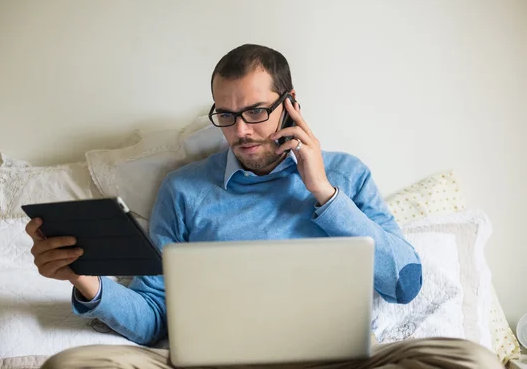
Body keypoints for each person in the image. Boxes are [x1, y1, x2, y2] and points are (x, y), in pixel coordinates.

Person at [26, 44, 502, 369]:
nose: (242, 131)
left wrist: (323, 192)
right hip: (214, 362)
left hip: (341, 361)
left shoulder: (346, 173)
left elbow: (405, 284)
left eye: (256, 111)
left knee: (471, 360)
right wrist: (87, 284)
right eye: (226, 116)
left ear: (290, 104)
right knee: (73, 364)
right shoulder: (184, 190)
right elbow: (153, 318)